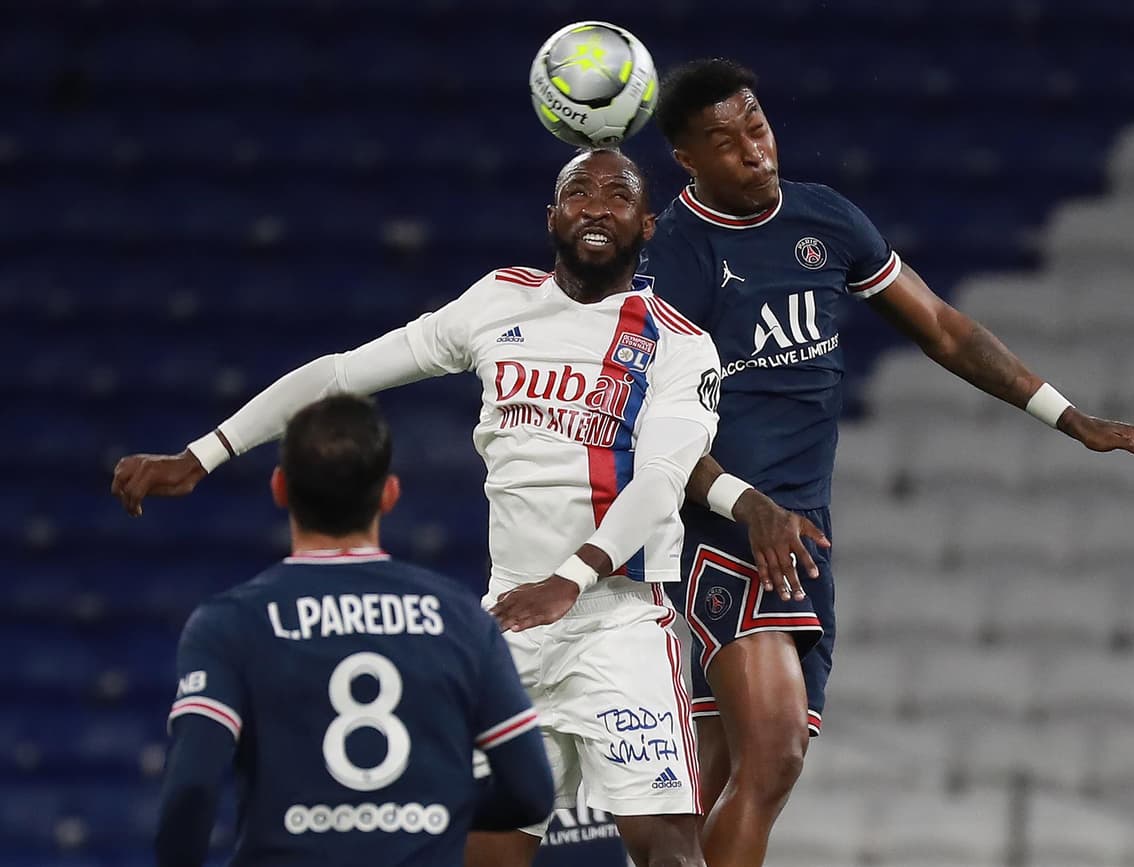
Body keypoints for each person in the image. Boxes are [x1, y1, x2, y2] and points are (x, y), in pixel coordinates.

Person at [643, 57, 1134, 867]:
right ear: (688, 159)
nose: (755, 152)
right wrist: (743, 503)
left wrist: (1070, 416)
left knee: (713, 786)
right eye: (725, 144)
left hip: (804, 534)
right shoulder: (680, 257)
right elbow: (651, 430)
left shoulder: (823, 219)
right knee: (776, 755)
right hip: (729, 534)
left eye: (756, 126)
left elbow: (940, 326)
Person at [113, 148, 720, 867]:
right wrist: (205, 452)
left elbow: (658, 481)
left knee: (668, 848)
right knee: (478, 850)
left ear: (646, 224)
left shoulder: (681, 345)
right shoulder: (498, 300)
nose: (595, 205)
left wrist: (574, 577)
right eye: (577, 192)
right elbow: (341, 374)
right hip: (512, 619)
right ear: (551, 216)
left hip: (617, 618)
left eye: (616, 195)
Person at [152, 393, 555, 867]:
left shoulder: (230, 623)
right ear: (389, 493)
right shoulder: (462, 620)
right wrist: (441, 810)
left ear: (280, 488)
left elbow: (192, 789)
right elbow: (531, 791)